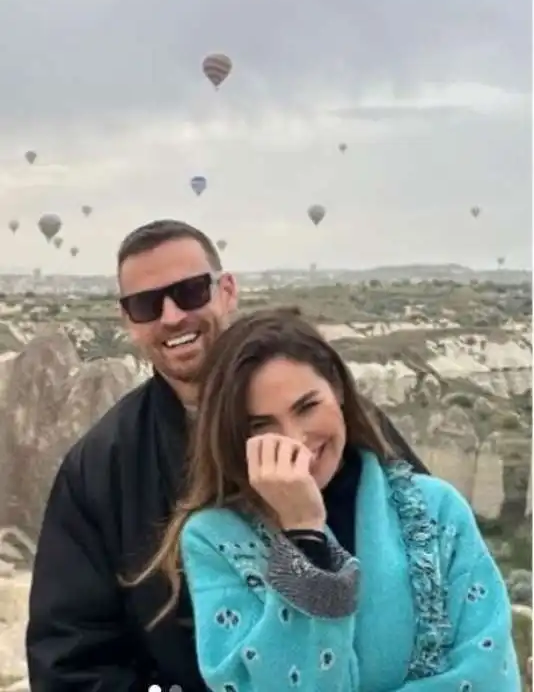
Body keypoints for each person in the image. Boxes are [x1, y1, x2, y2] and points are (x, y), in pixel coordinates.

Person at [26, 219, 429, 692]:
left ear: (227, 291)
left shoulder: (335, 427)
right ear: (128, 322)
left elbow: (434, 568)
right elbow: (70, 660)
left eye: (191, 291)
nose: (173, 316)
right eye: (146, 304)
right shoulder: (103, 465)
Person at [132, 309, 521, 692]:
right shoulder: (215, 539)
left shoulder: (437, 510)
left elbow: (488, 674)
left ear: (337, 390)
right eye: (261, 425)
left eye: (307, 407)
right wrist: (304, 539)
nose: (295, 440)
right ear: (234, 436)